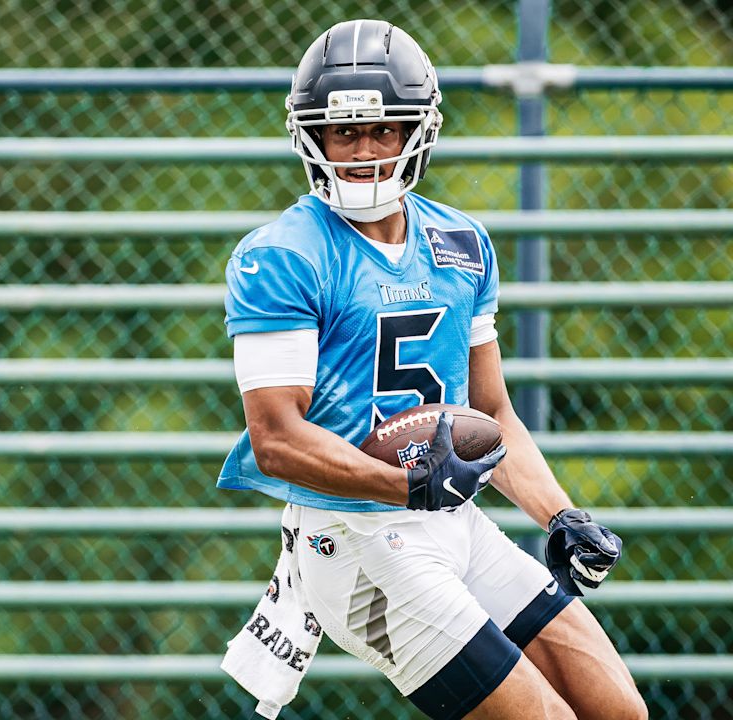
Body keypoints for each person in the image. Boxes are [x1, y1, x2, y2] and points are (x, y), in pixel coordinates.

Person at [218, 19, 647, 720]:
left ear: (418, 130)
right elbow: (277, 438)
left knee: (618, 710)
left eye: (383, 129)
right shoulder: (284, 255)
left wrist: (560, 514)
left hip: (450, 521)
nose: (362, 151)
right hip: (357, 539)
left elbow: (494, 415)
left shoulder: (459, 241)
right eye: (343, 132)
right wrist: (406, 486)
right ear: (310, 137)